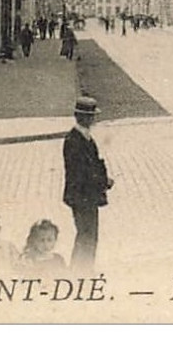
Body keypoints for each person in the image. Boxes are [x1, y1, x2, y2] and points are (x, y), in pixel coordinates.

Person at [62, 95, 113, 268]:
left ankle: (83, 270)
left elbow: (93, 164)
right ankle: (80, 272)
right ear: (80, 117)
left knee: (88, 236)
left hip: (85, 195)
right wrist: (103, 181)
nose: (93, 120)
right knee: (87, 236)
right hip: (82, 196)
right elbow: (83, 172)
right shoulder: (74, 140)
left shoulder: (84, 137)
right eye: (90, 117)